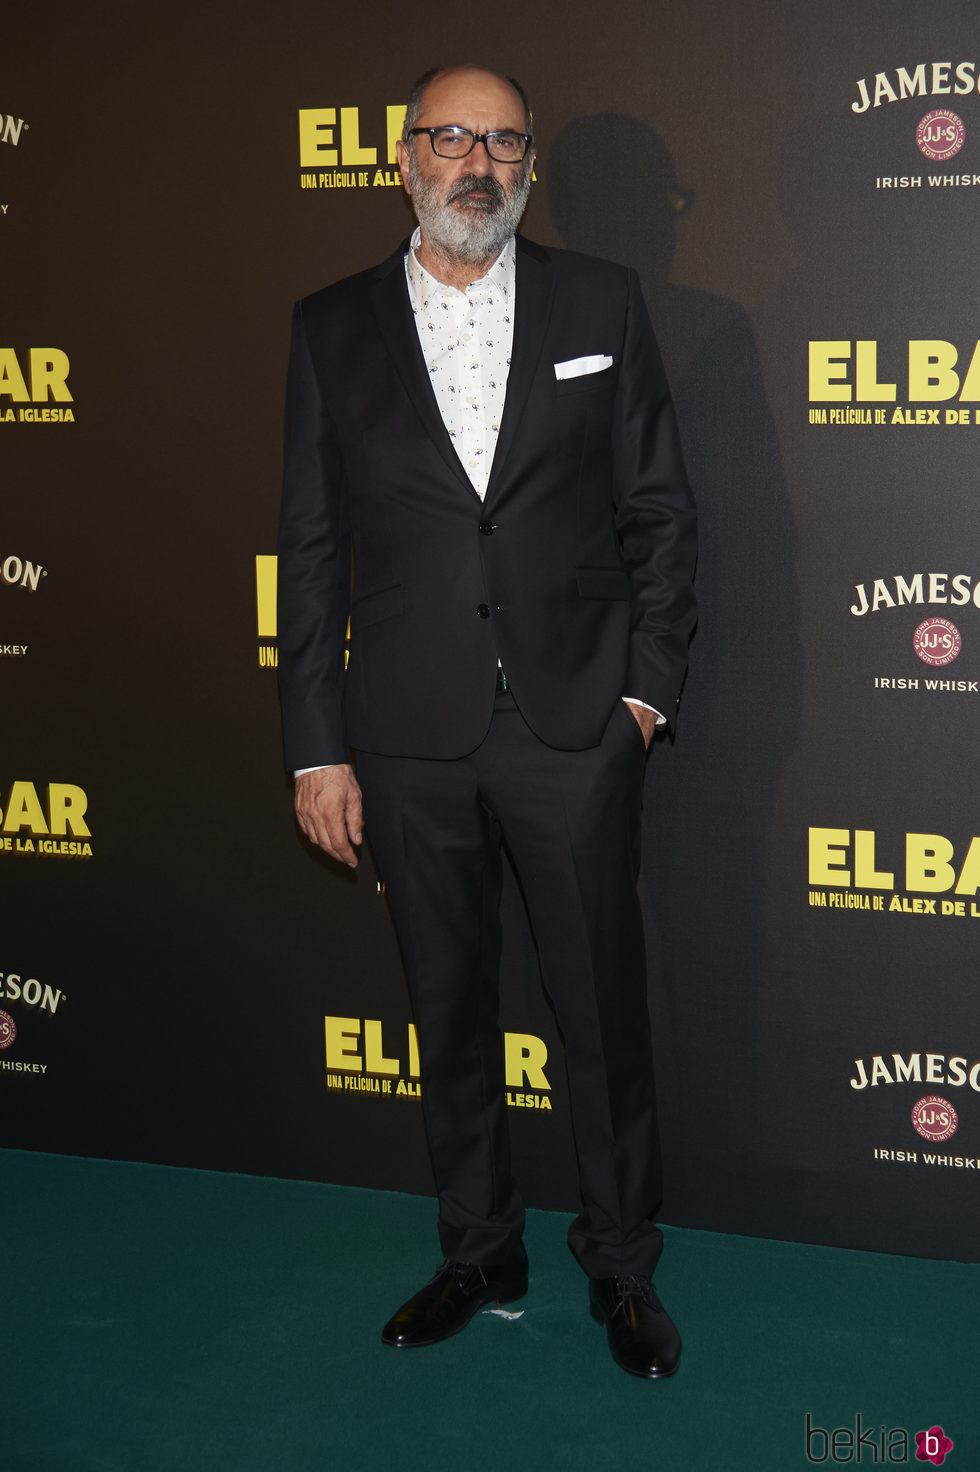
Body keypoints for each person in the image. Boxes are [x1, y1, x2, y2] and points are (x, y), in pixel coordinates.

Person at [277, 64, 697, 1379]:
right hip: (405, 732)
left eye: (504, 142)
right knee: (447, 1013)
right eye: (452, 138)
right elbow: (311, 547)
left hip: (575, 726)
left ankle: (622, 1271)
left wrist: (646, 693)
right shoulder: (330, 324)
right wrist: (315, 739)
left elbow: (662, 518)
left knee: (600, 1020)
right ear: (403, 159)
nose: (479, 162)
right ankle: (479, 1252)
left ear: (528, 169)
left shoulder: (600, 302)